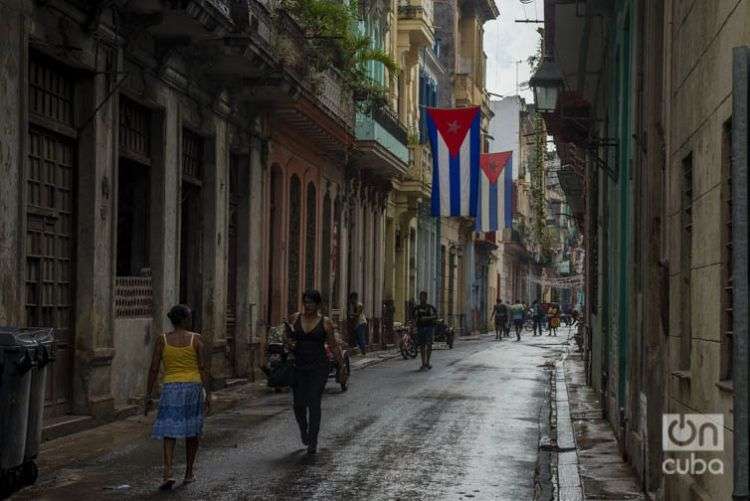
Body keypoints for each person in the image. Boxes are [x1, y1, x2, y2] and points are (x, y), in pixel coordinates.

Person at [145, 304, 210, 491]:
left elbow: (154, 368)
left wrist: (148, 394)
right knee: (192, 430)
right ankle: (189, 472)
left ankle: (167, 472)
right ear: (183, 319)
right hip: (193, 388)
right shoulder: (196, 339)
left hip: (171, 388)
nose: (191, 319)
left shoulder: (162, 340)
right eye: (189, 316)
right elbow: (203, 367)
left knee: (169, 430)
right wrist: (208, 394)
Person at [285, 290, 347, 454]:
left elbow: (333, 345)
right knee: (298, 404)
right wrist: (289, 343)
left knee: (314, 402)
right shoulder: (295, 318)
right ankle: (304, 430)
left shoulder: (325, 323)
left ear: (318, 304)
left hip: (319, 367)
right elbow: (288, 337)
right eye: (306, 302)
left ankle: (313, 440)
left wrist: (341, 365)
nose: (308, 305)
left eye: (312, 302)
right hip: (299, 366)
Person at [412, 291, 438, 370]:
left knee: (429, 345)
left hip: (429, 327)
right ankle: (423, 363)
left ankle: (428, 362)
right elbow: (413, 317)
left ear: (426, 298)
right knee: (422, 345)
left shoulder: (430, 307)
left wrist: (427, 318)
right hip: (420, 328)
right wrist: (414, 324)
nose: (422, 298)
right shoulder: (417, 308)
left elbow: (435, 316)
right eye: (420, 297)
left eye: (423, 297)